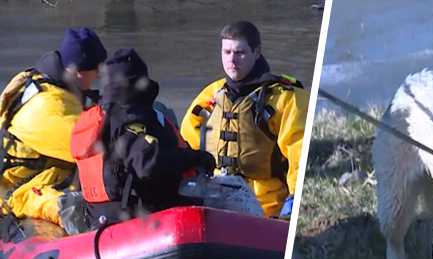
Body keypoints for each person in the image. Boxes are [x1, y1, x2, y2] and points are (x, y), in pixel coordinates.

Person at [72, 48, 216, 230]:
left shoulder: (95, 118)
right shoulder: (132, 117)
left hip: (99, 219)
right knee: (212, 210)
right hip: (136, 220)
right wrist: (196, 158)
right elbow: (146, 164)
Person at [180, 21, 309, 218]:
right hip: (217, 197)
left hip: (267, 206)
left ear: (257, 52)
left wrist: (296, 198)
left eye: (239, 53)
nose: (232, 60)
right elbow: (186, 139)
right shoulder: (212, 95)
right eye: (227, 52)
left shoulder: (286, 98)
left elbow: (299, 152)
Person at [0, 27, 106, 235]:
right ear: (78, 72)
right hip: (16, 192)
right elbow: (91, 150)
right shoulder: (48, 108)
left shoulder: (46, 83)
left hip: (39, 170)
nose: (99, 75)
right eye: (96, 70)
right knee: (77, 198)